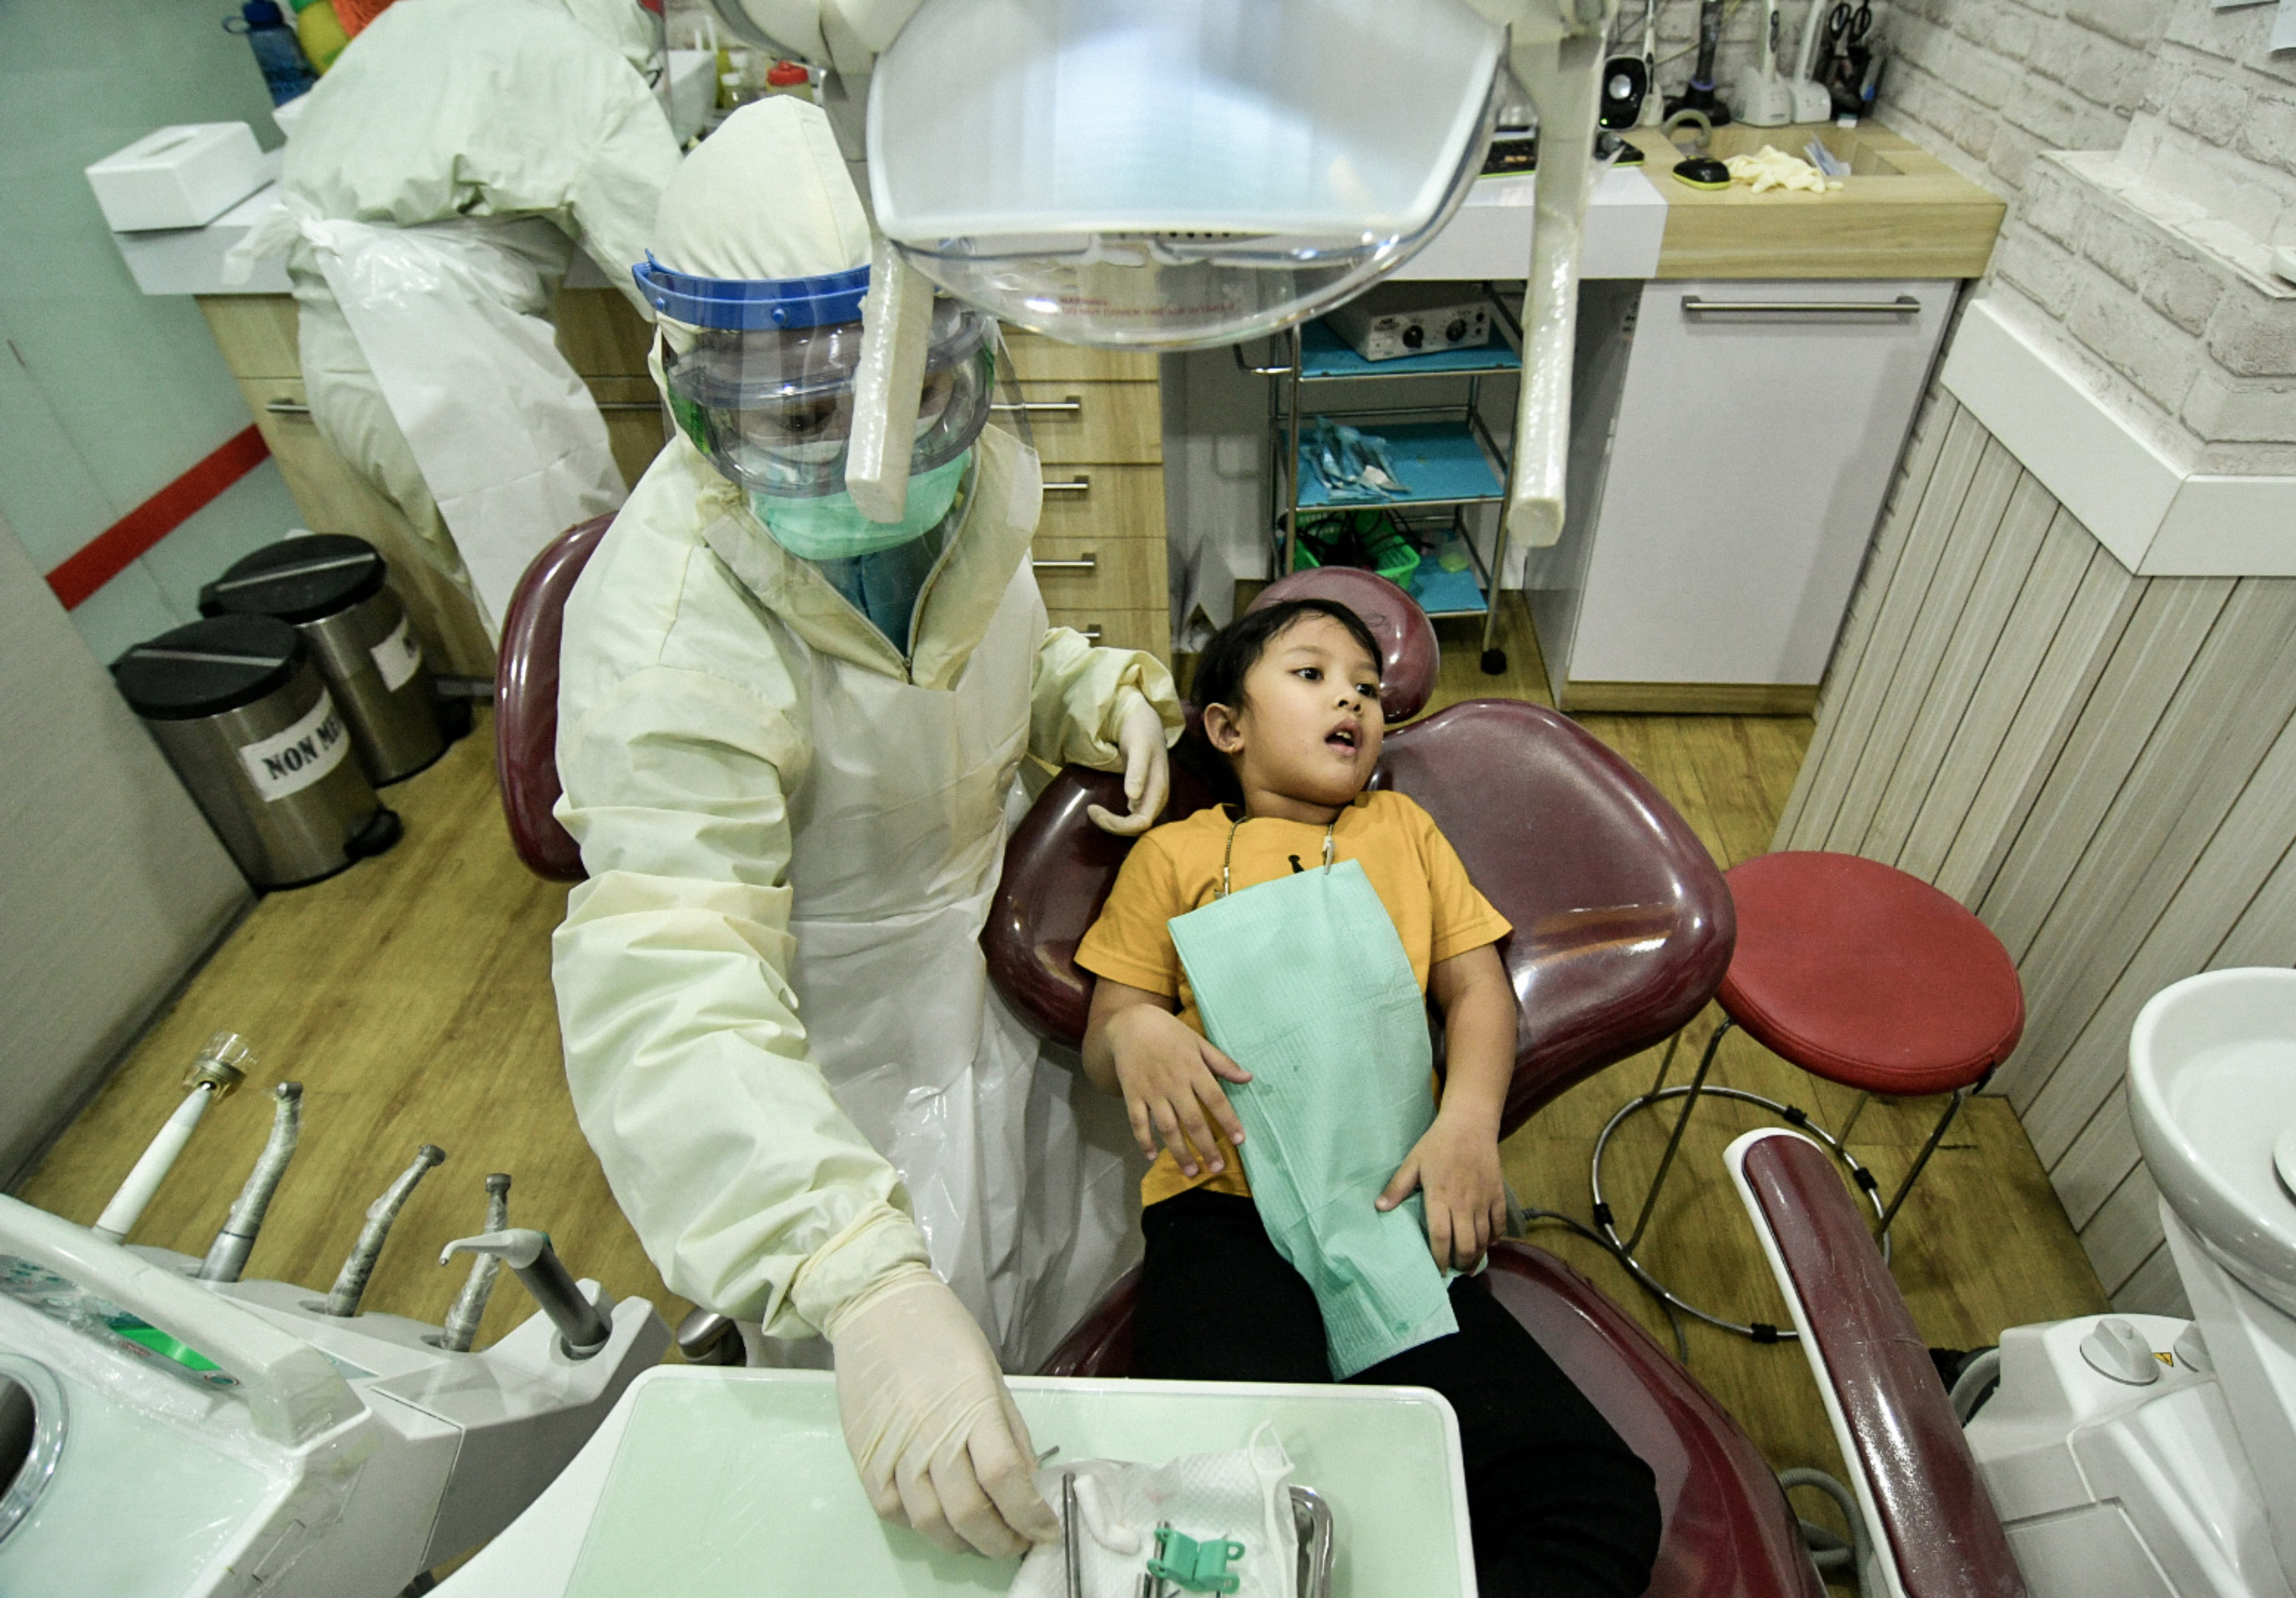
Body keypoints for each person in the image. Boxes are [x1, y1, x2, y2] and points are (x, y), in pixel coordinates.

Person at [549, 99, 1181, 1559]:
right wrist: (856, 1275)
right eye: (798, 414)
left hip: (1016, 972)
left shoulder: (956, 493)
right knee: (922, 1427)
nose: (865, 463)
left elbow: (977, 660)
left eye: (908, 398)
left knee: (1079, 1308)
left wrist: (1093, 693)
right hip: (829, 1065)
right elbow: (670, 979)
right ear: (691, 391)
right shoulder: (666, 634)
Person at [1074, 598, 1662, 1598]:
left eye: (1366, 684)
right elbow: (1107, 1028)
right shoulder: (1171, 857)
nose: (1351, 693)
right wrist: (1135, 1030)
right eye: (1310, 673)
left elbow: (1478, 989)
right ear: (1226, 727)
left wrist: (1468, 1122)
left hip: (1390, 1209)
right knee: (1227, 1498)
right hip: (1224, 1218)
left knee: (1599, 1497)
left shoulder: (1404, 830)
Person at [262, 0, 682, 645]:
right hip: (441, 368)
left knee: (531, 630)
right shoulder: (577, 62)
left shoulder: (430, 16)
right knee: (590, 631)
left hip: (342, 362)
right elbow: (679, 274)